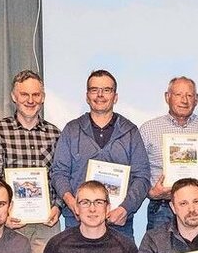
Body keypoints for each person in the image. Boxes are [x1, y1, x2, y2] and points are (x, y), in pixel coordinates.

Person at [50, 70, 150, 238]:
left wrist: (125, 208)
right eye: (94, 90)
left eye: (106, 90)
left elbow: (142, 177)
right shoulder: (72, 130)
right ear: (87, 96)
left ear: (115, 97)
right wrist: (72, 202)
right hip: (77, 223)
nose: (100, 95)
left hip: (119, 224)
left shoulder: (130, 132)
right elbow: (59, 172)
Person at [0, 70, 63, 253]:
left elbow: (60, 176)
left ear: (43, 97)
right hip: (12, 221)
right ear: (14, 96)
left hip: (47, 222)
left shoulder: (55, 134)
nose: (30, 100)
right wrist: (4, 213)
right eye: (24, 94)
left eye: (36, 95)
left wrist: (58, 206)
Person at [139, 76, 198, 231]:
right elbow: (138, 170)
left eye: (189, 95)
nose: (184, 100)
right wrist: (151, 192)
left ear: (196, 99)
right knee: (160, 247)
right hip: (162, 207)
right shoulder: (148, 129)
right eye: (178, 94)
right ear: (167, 97)